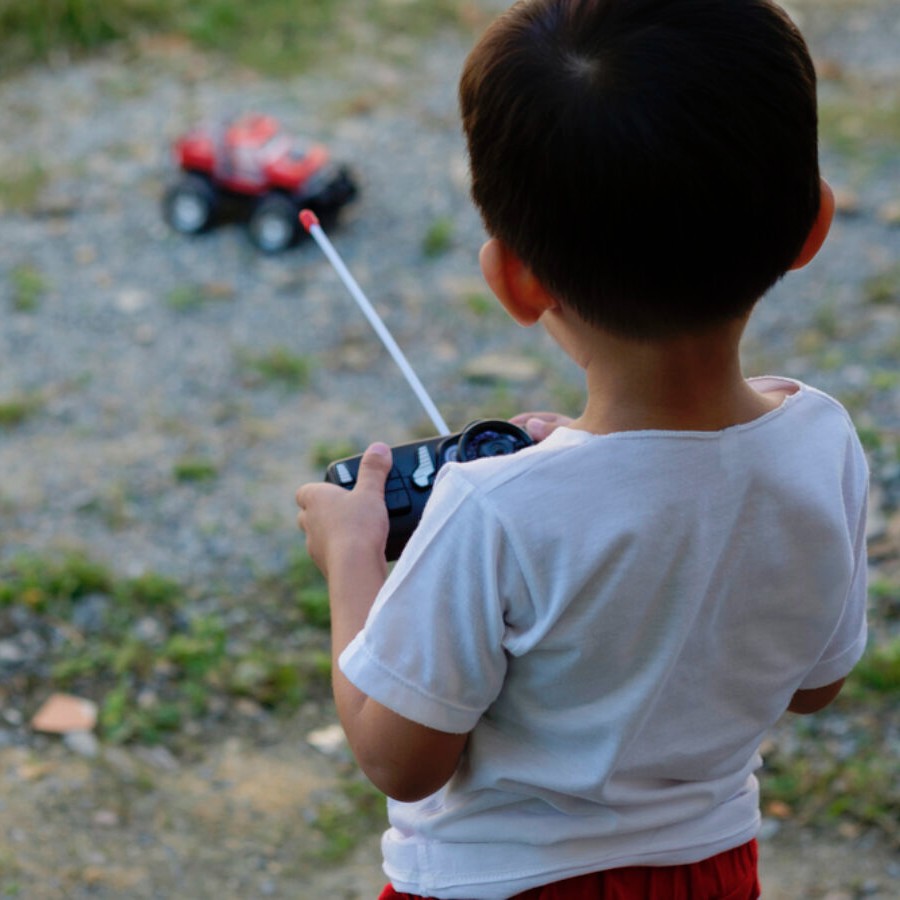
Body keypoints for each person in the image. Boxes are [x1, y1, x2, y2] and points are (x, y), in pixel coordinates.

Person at [295, 1, 869, 897]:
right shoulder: (822, 440)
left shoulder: (493, 510)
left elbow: (398, 758)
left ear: (515, 281)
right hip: (710, 872)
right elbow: (814, 685)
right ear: (813, 227)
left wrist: (351, 559)